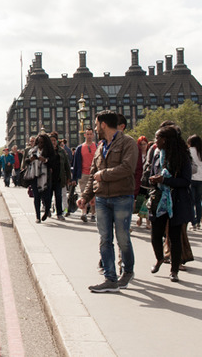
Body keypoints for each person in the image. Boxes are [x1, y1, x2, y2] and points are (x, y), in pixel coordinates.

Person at [78, 110, 138, 293]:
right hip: (102, 198)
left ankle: (127, 271)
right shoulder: (100, 146)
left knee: (122, 238)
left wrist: (103, 175)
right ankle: (110, 278)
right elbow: (92, 177)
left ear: (103, 124)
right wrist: (85, 197)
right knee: (105, 239)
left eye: (96, 125)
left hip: (122, 197)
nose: (95, 128)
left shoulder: (128, 143)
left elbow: (128, 168)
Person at [148, 126, 195, 282]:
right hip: (159, 200)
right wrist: (153, 180)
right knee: (155, 235)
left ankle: (174, 270)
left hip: (177, 201)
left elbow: (186, 181)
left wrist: (165, 180)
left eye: (157, 138)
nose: (155, 141)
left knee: (175, 238)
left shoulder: (182, 157)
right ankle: (159, 258)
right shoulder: (156, 155)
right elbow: (151, 172)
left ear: (164, 140)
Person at [72, 127, 97, 223]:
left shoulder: (97, 146)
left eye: (91, 134)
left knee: (94, 195)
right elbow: (75, 164)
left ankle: (93, 214)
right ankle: (84, 213)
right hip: (83, 174)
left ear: (93, 135)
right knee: (83, 194)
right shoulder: (80, 148)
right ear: (84, 135)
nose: (89, 136)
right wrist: (74, 178)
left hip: (94, 174)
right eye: (88, 134)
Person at [28, 133, 54, 223]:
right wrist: (30, 160)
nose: (40, 144)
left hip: (46, 177)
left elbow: (53, 163)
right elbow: (26, 161)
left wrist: (45, 160)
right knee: (36, 197)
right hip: (34, 176)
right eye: (38, 142)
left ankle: (47, 211)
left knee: (47, 197)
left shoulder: (49, 151)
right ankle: (37, 217)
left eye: (42, 142)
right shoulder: (32, 150)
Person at [49, 131, 71, 220]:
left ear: (57, 141)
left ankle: (59, 213)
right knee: (48, 196)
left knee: (59, 196)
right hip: (49, 178)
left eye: (54, 140)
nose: (53, 142)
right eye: (51, 140)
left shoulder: (61, 151)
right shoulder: (47, 151)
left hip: (59, 177)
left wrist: (68, 177)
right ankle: (48, 211)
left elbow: (66, 165)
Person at [187, 134, 202, 230]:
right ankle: (198, 222)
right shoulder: (201, 151)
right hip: (201, 179)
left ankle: (193, 222)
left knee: (191, 202)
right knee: (198, 201)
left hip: (192, 178)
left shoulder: (189, 151)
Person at [135, 136, 150, 227]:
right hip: (139, 180)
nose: (143, 146)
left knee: (148, 200)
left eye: (145, 144)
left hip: (147, 180)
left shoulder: (150, 154)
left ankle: (148, 220)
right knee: (140, 200)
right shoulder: (137, 154)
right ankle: (140, 218)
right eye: (141, 144)